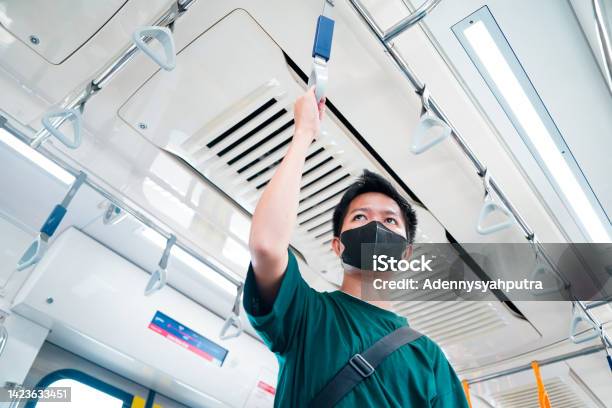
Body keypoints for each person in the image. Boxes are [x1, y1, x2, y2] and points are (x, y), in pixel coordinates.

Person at [243, 87, 469, 407]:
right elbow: (266, 246)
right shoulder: (307, 315)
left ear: (406, 253)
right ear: (338, 245)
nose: (375, 227)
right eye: (361, 217)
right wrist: (304, 132)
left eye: (390, 221)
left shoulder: (429, 358)